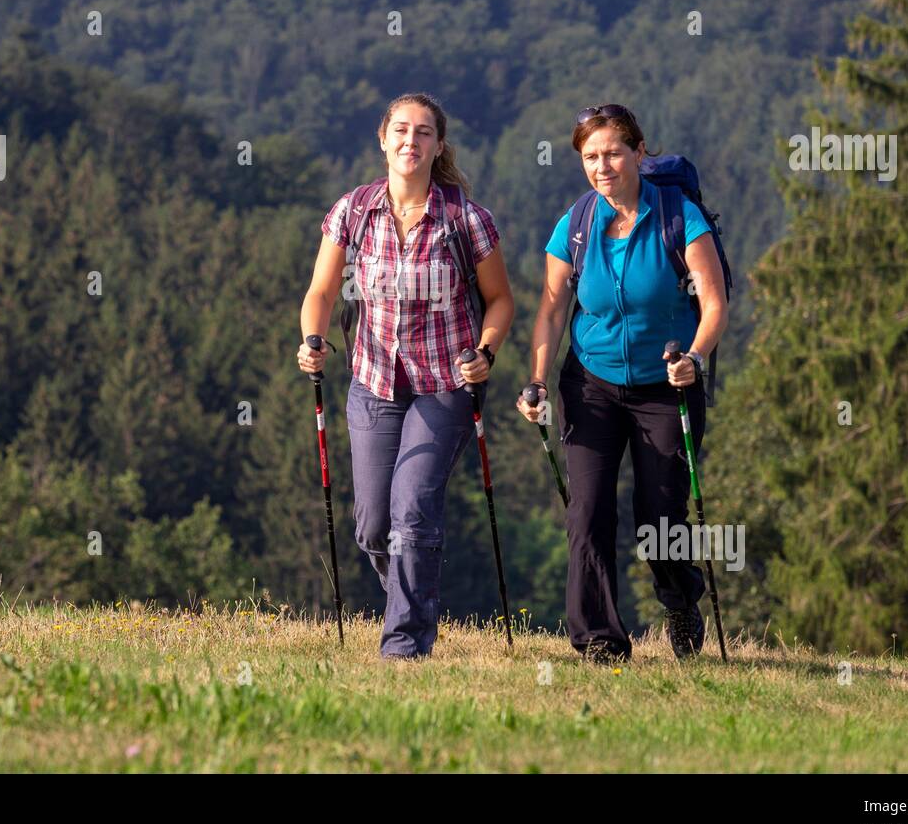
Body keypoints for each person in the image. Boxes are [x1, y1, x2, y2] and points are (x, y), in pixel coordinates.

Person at [298, 92, 514, 659]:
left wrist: (486, 353)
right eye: (400, 130)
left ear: (438, 145)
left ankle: (405, 645)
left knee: (413, 511)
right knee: (373, 526)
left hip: (444, 384)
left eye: (422, 133)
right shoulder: (354, 210)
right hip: (373, 382)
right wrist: (312, 340)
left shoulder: (465, 217)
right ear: (383, 138)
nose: (410, 141)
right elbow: (321, 291)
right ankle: (411, 602)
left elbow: (500, 301)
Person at [515, 103, 728, 663]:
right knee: (587, 514)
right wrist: (536, 380)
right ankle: (599, 642)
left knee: (661, 518)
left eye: (613, 152)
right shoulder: (577, 224)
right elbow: (553, 309)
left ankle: (680, 601)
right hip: (590, 385)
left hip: (667, 384)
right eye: (590, 156)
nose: (602, 166)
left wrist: (697, 359)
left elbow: (713, 302)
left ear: (638, 150)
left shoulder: (679, 216)